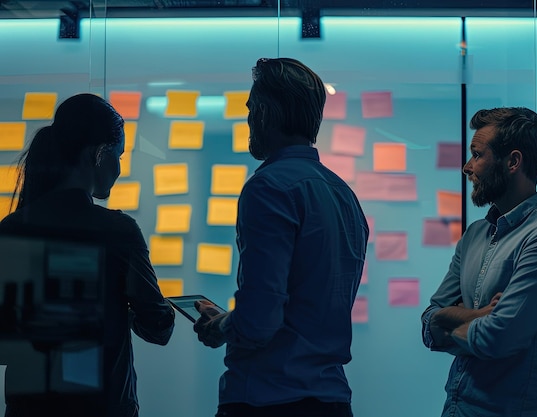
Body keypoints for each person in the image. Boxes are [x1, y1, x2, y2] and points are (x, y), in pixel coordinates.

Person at [193, 57, 369, 417]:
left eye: (252, 107)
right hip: (331, 400)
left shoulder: (268, 187)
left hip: (268, 398)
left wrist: (220, 326)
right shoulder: (343, 195)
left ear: (265, 112)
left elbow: (260, 322)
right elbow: (300, 307)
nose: (248, 119)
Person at [0, 93, 175, 417]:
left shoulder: (10, 228)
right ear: (99, 154)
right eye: (119, 155)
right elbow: (159, 326)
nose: (120, 168)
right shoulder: (117, 231)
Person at [421, 107, 537, 417]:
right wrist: (474, 315)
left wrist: (446, 320)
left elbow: (496, 339)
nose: (467, 167)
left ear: (513, 162)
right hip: (457, 408)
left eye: (477, 155)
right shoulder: (476, 234)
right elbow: (428, 323)